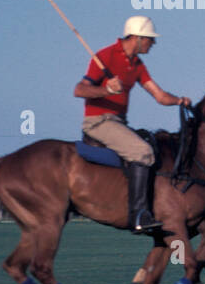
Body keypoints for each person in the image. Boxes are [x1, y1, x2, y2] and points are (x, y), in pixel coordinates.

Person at [74, 16, 191, 233]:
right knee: (142, 152)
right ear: (136, 38)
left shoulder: (137, 65)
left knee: (152, 145)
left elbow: (158, 95)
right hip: (98, 122)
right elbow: (79, 90)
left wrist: (179, 100)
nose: (152, 43)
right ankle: (138, 215)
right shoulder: (105, 56)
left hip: (119, 122)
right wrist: (106, 90)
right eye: (149, 39)